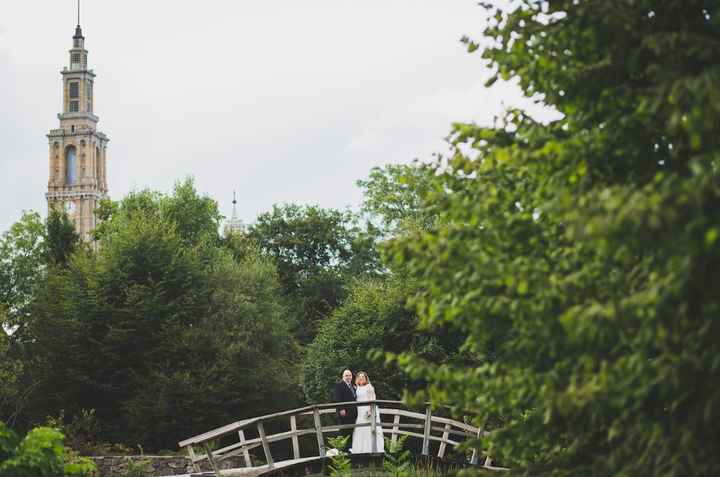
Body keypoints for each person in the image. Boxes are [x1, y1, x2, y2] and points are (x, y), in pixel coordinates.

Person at [351, 371, 384, 453]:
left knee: (369, 429)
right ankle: (360, 449)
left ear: (366, 378)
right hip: (360, 411)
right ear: (357, 379)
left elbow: (372, 399)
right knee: (360, 428)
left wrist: (370, 411)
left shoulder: (369, 387)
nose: (361, 378)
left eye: (363, 377)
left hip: (367, 410)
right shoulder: (356, 388)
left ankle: (371, 448)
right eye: (359, 377)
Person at [334, 369, 358, 444]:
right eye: (346, 375)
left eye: (350, 375)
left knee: (351, 431)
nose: (348, 377)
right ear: (343, 376)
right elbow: (338, 398)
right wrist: (341, 409)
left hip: (353, 413)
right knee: (344, 431)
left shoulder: (353, 386)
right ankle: (343, 449)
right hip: (345, 413)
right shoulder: (339, 384)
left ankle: (350, 448)